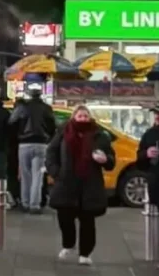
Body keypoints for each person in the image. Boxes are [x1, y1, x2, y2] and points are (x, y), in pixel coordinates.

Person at [46, 106, 115, 266]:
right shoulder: (63, 133)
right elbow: (51, 153)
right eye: (80, 115)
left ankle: (85, 253)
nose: (83, 118)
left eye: (85, 116)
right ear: (74, 117)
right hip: (66, 182)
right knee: (64, 216)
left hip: (89, 183)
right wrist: (56, 172)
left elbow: (111, 159)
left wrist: (105, 160)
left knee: (87, 220)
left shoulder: (99, 136)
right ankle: (68, 244)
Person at [9, 85, 56, 214]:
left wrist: (18, 136)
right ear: (40, 95)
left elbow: (11, 123)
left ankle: (25, 202)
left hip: (24, 145)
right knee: (38, 176)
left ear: (29, 94)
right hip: (41, 145)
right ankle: (34, 205)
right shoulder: (47, 108)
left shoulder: (21, 107)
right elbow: (53, 126)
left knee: (25, 175)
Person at [136, 102, 159, 269]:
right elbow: (140, 160)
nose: (158, 117)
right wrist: (145, 154)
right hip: (158, 183)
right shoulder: (150, 134)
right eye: (156, 114)